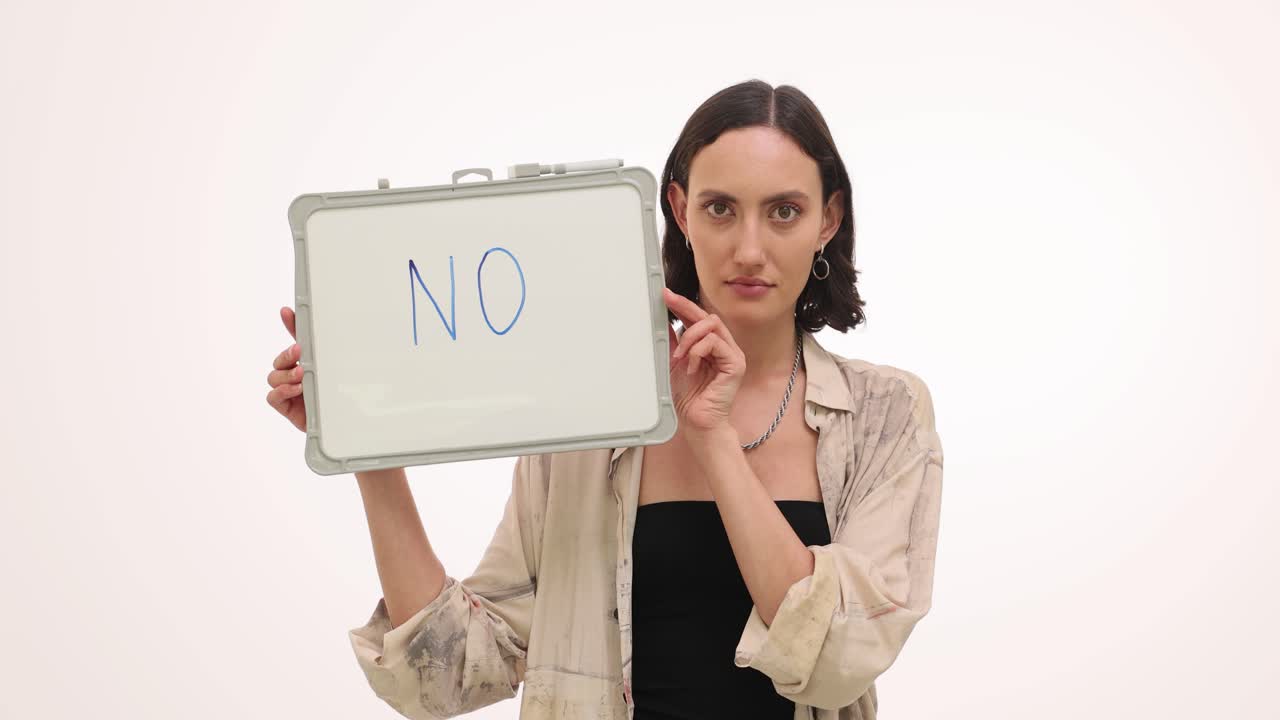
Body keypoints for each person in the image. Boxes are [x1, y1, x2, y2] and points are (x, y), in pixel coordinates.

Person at [266, 79, 944, 720]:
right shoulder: (591, 408)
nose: (749, 248)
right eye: (719, 208)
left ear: (829, 218)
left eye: (784, 212)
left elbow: (837, 659)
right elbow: (450, 674)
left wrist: (712, 439)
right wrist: (369, 447)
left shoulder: (887, 415)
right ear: (679, 210)